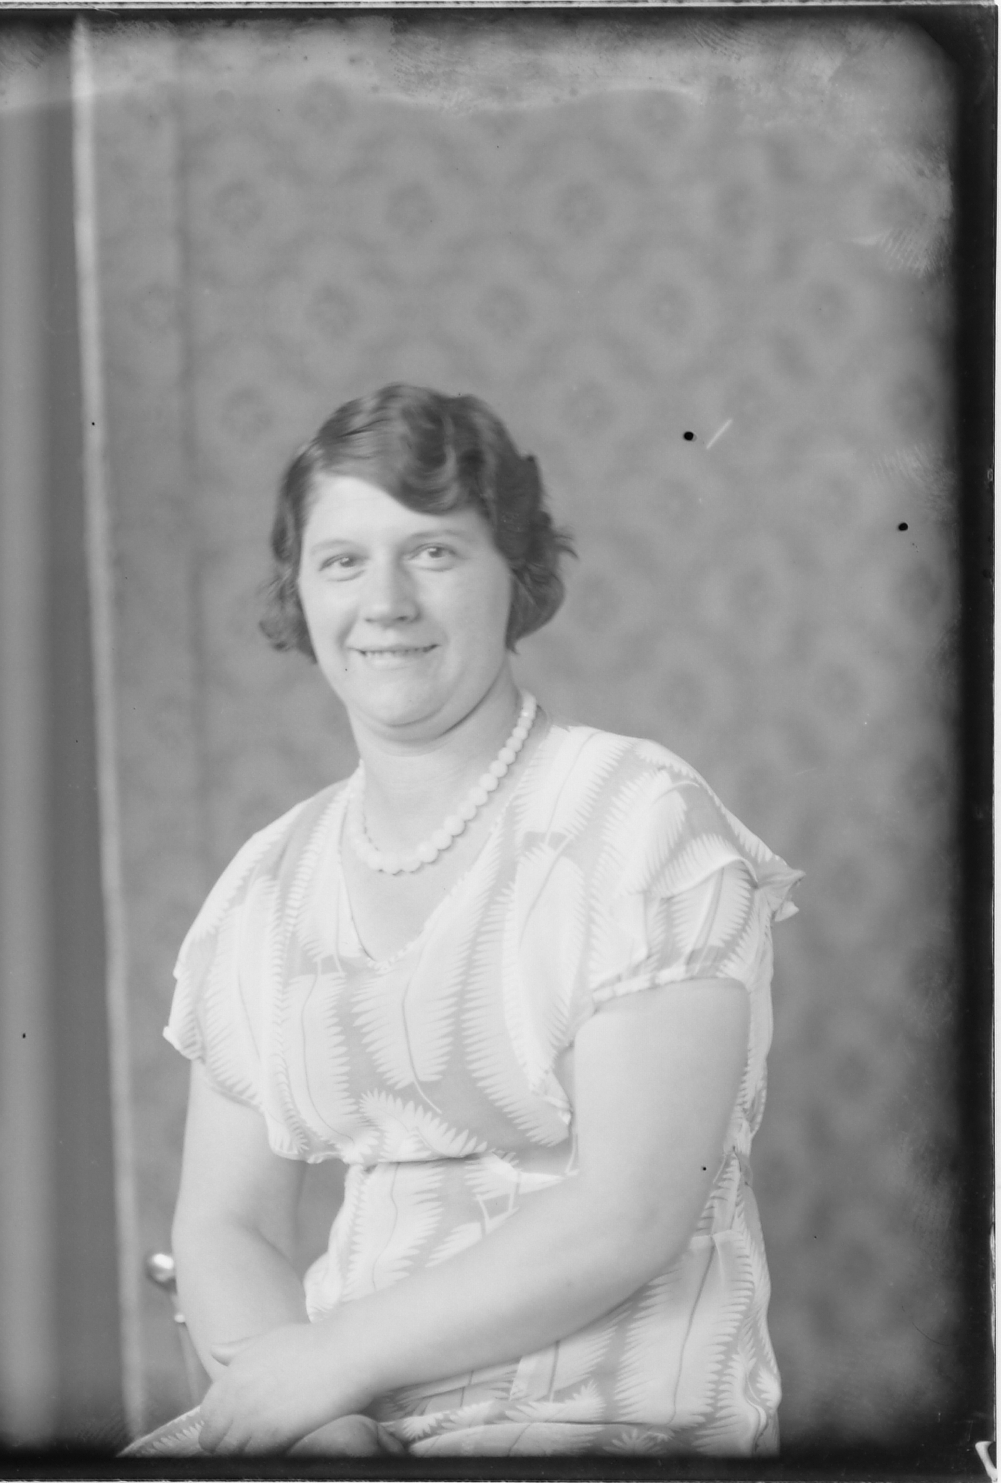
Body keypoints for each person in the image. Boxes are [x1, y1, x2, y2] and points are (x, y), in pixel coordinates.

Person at [130, 384, 798, 1458]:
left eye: (432, 552)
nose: (384, 601)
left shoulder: (635, 818)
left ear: (515, 575)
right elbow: (226, 1222)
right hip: (343, 1429)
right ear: (299, 592)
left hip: (597, 1423)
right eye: (341, 561)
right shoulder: (266, 882)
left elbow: (629, 1211)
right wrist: (315, 1424)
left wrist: (331, 1361)